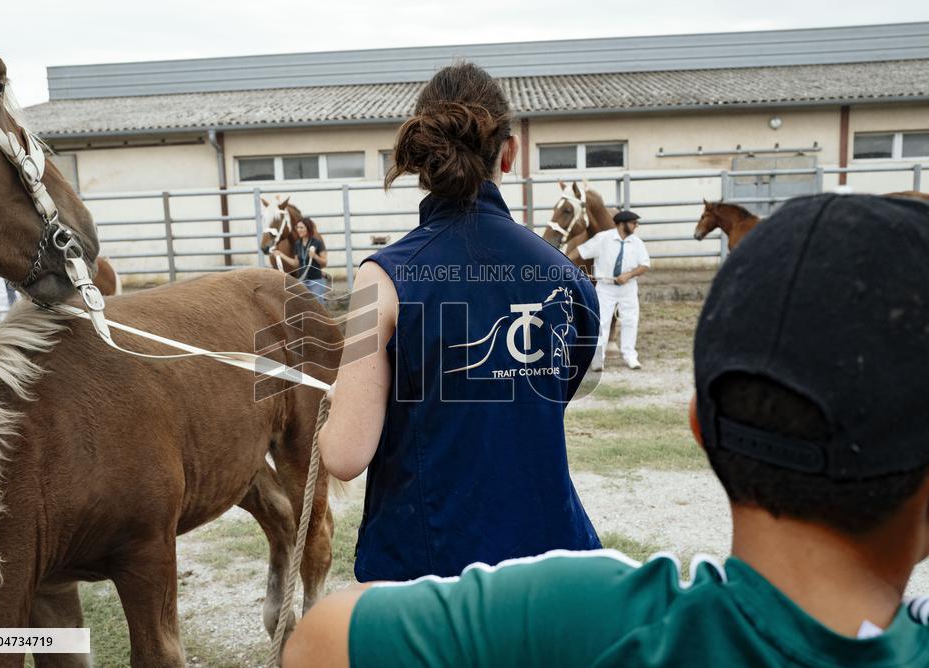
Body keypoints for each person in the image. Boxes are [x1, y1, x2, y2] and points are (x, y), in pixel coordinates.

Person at [285, 193, 929, 667]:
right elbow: (567, 377)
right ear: (506, 157)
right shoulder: (561, 271)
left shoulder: (589, 610)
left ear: (701, 426)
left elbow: (316, 636)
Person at [315, 62, 602, 584]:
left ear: (422, 156)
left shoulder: (377, 280)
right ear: (509, 153)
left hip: (432, 571)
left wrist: (341, 397)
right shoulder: (570, 279)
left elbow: (344, 454)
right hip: (555, 561)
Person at [568, 209, 650, 371]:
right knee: (602, 322)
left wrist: (629, 274)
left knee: (630, 321)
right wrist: (563, 261)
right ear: (622, 224)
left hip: (628, 288)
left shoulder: (637, 243)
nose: (636, 226)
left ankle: (630, 356)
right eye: (634, 223)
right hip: (605, 288)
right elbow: (581, 250)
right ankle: (598, 358)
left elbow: (645, 265)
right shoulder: (603, 239)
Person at [272, 218, 329, 305]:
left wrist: (315, 256)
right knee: (302, 306)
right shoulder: (298, 244)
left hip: (315, 280)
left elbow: (324, 263)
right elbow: (296, 264)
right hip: (302, 280)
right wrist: (281, 255)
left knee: (317, 306)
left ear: (308, 228)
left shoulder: (317, 243)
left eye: (301, 227)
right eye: (298, 227)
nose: (299, 230)